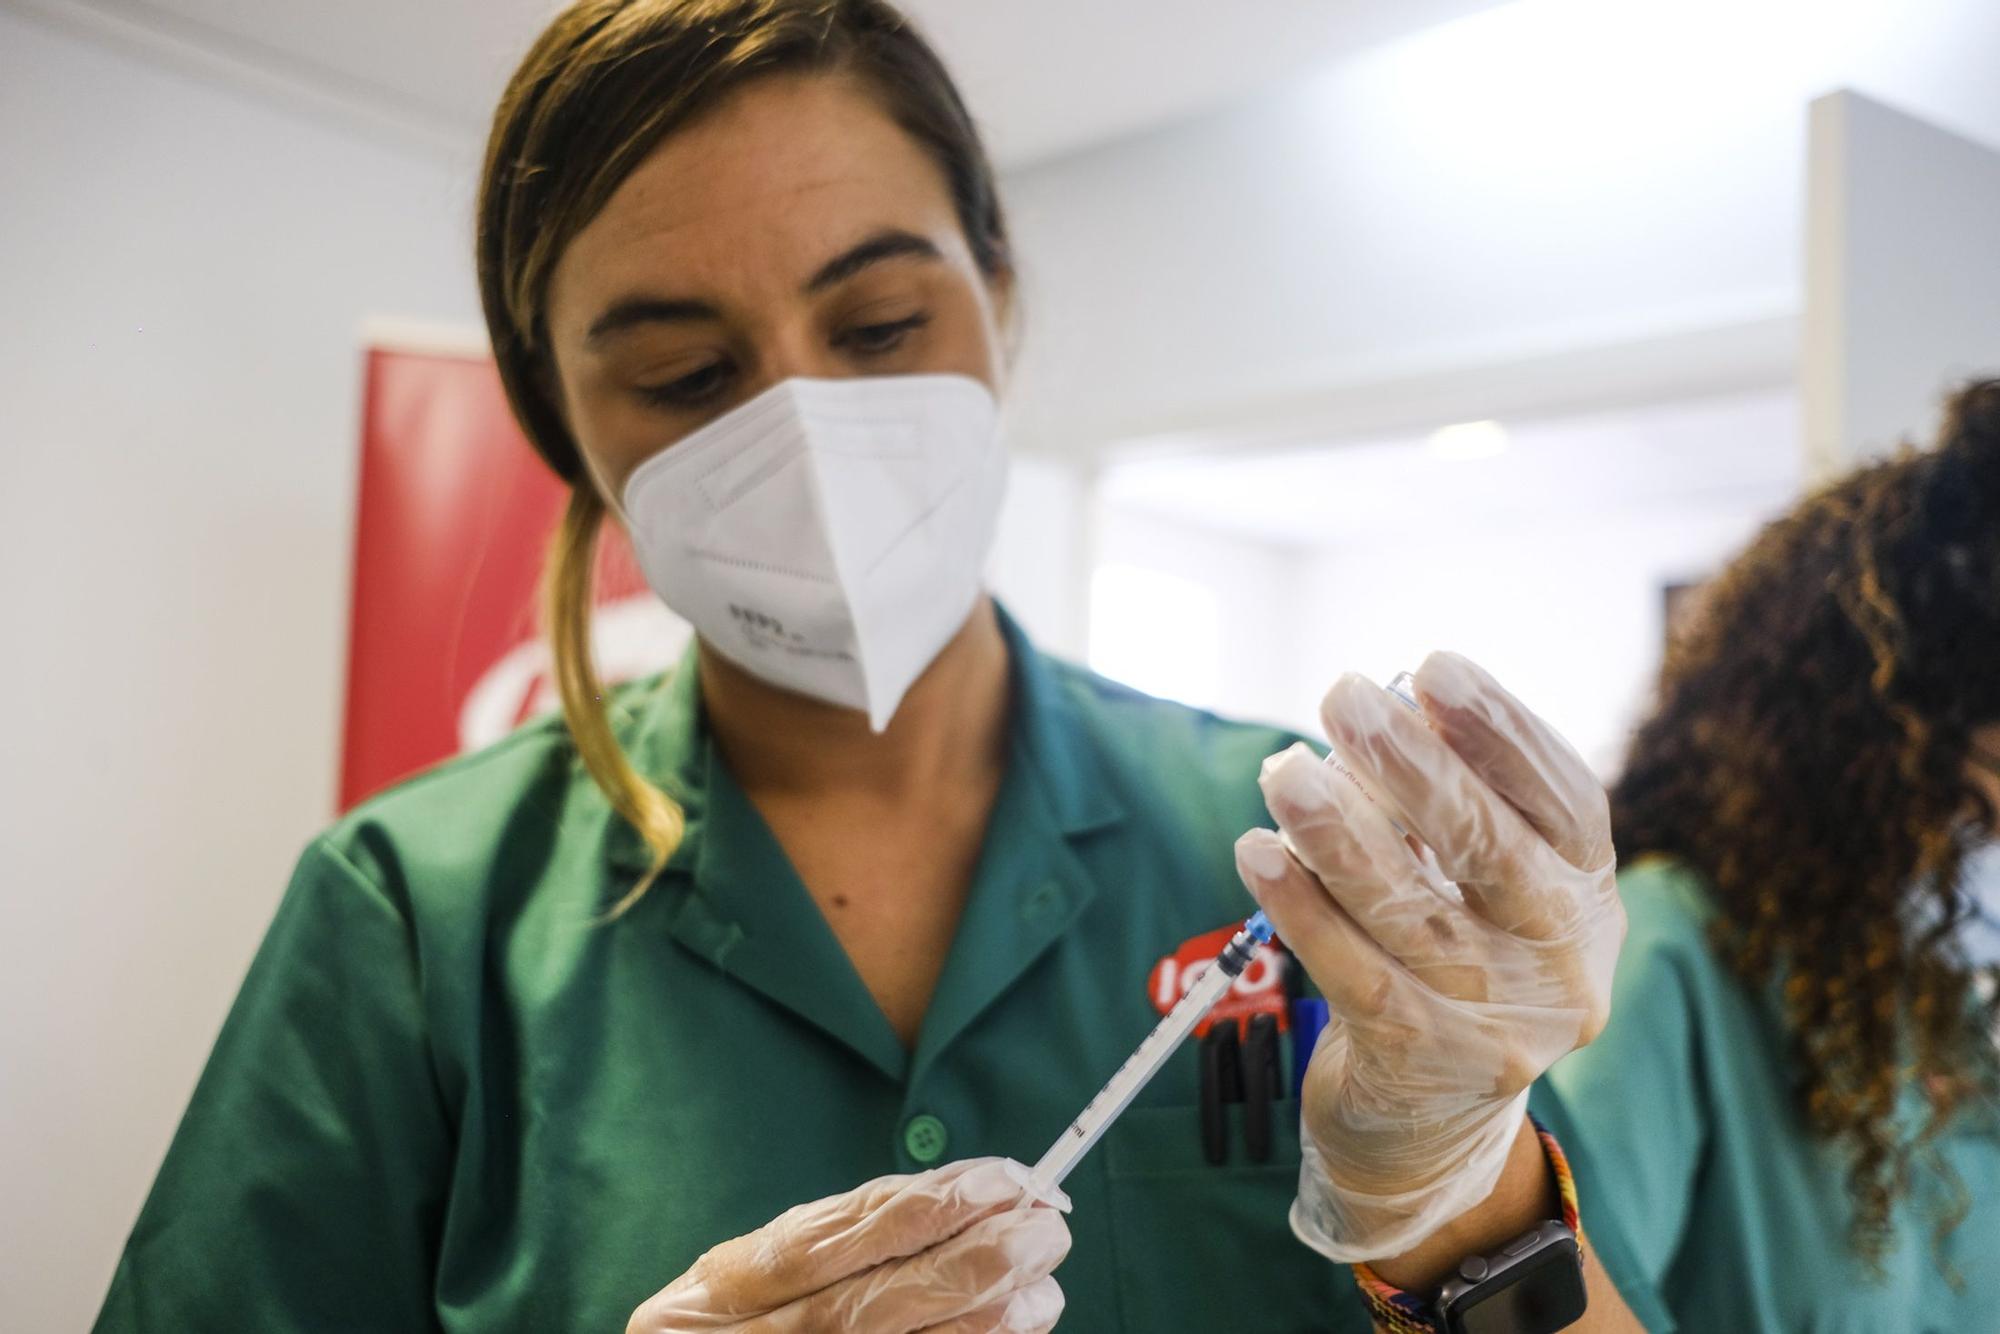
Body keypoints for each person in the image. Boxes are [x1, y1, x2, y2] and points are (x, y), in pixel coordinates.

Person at [93, 3, 1657, 1329]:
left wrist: (1459, 1193)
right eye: (686, 375)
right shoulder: (412, 917)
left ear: (999, 294)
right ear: (564, 427)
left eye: (883, 324)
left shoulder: (1292, 861)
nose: (807, 437)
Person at [1542, 380, 2000, 1331]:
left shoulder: (1938, 981)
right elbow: (1558, 1307)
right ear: (1886, 739)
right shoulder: (1669, 947)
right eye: (1989, 764)